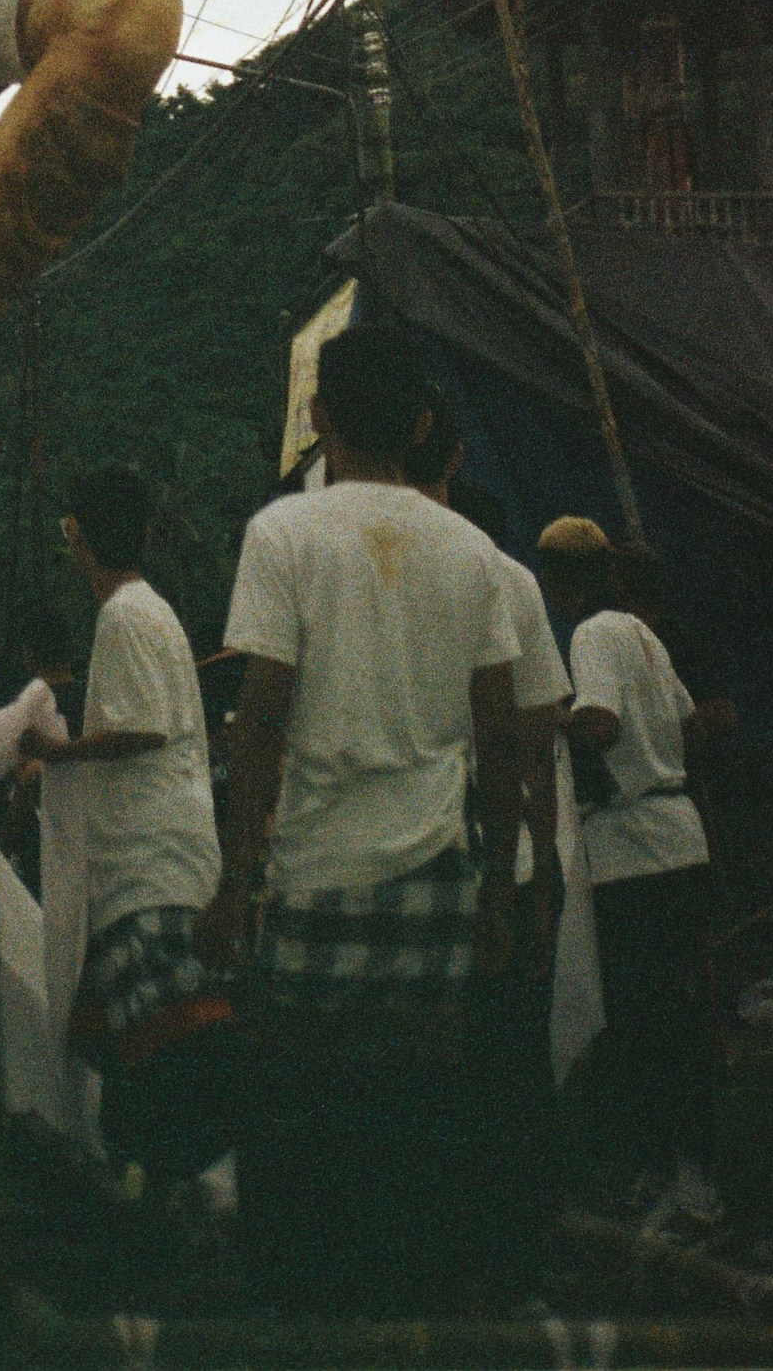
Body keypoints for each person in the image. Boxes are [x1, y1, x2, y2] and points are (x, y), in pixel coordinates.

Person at [203, 325, 521, 1315]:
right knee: (419, 1119)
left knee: (299, 1121)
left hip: (316, 870)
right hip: (436, 871)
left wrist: (236, 876)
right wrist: (500, 890)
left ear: (318, 416)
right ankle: (409, 1314)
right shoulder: (475, 550)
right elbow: (501, 737)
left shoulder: (283, 534)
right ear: (423, 423)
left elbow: (261, 718)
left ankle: (304, 1317)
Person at [30, 465, 231, 1292]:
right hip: (160, 849)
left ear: (79, 536)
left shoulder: (123, 613)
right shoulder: (149, 613)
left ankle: (170, 1209)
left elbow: (138, 727)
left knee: (163, 1047)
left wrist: (58, 752)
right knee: (148, 1041)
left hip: (151, 856)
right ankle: (165, 1202)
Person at [416, 417, 570, 1305]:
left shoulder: (374, 564)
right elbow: (538, 740)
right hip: (492, 859)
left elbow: (533, 741)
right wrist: (539, 870)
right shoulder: (503, 575)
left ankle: (474, 1260)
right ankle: (511, 1261)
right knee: (506, 1067)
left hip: (431, 862)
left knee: (455, 1070)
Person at [540, 517, 720, 1229]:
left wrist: (544, 721)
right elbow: (686, 722)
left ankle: (679, 1180)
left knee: (645, 1023)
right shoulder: (641, 632)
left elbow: (600, 725)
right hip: (677, 836)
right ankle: (684, 1169)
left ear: (556, 577)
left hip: (632, 848)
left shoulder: (589, 635)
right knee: (674, 1020)